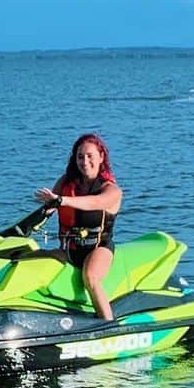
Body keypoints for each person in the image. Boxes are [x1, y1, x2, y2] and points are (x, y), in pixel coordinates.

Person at [34, 133, 123, 321]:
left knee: (90, 277)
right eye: (80, 156)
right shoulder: (65, 183)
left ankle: (109, 324)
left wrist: (62, 201)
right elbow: (48, 210)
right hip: (70, 251)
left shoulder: (111, 190)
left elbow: (95, 203)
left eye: (90, 155)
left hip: (99, 249)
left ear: (101, 157)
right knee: (31, 259)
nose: (85, 161)